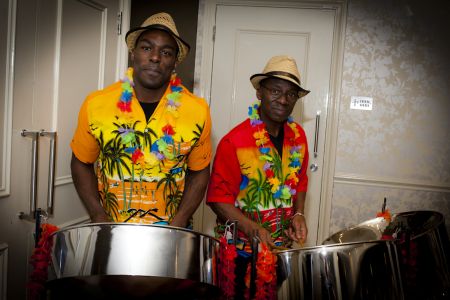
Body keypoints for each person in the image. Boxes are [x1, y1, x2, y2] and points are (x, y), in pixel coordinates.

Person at [70, 12, 211, 228]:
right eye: (147, 48)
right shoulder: (96, 104)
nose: (155, 57)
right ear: (133, 53)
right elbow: (81, 162)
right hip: (111, 230)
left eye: (166, 52)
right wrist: (97, 215)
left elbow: (199, 171)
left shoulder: (197, 110)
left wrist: (180, 221)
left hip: (171, 233)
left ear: (174, 62)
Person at [207, 55, 310, 250]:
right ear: (259, 92)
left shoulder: (299, 137)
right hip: (240, 251)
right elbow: (217, 200)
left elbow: (301, 180)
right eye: (275, 91)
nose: (283, 100)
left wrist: (299, 213)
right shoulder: (234, 142)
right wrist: (252, 228)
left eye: (291, 94)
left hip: (281, 249)